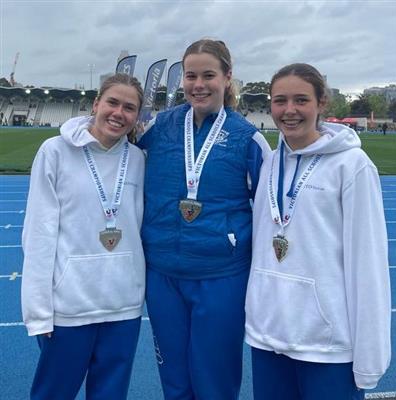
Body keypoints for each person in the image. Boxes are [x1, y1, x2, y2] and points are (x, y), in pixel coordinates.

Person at [245, 63, 391, 400]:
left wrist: (370, 356)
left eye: (301, 100)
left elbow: (367, 263)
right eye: (280, 101)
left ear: (321, 103)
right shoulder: (270, 162)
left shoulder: (352, 166)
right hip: (270, 337)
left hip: (328, 346)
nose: (289, 110)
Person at [137, 39, 270, 400]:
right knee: (175, 380)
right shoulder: (159, 127)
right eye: (191, 75)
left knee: (215, 379)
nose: (199, 84)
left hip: (221, 276)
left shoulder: (248, 138)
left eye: (208, 75)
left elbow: (271, 213)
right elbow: (108, 146)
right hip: (163, 273)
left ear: (227, 77)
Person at [21, 73, 146, 400]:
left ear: (137, 116)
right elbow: (39, 233)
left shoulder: (138, 160)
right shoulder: (55, 152)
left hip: (123, 307)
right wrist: (38, 311)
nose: (119, 113)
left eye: (129, 108)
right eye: (113, 103)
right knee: (53, 394)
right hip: (69, 307)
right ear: (96, 104)